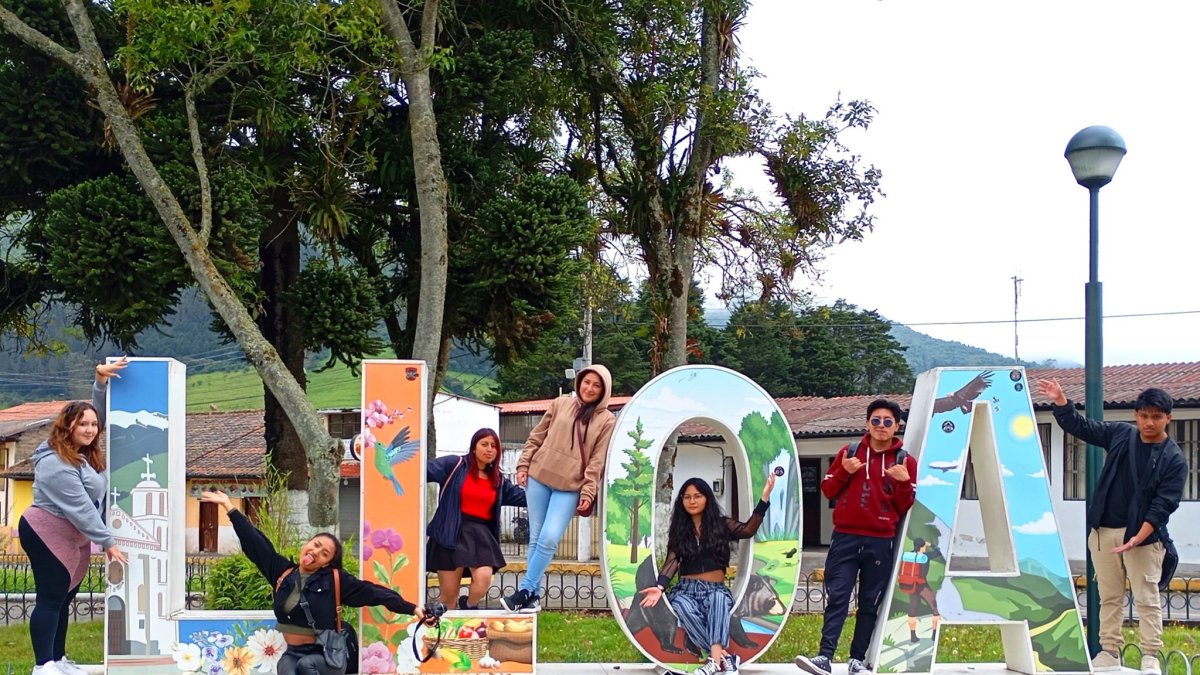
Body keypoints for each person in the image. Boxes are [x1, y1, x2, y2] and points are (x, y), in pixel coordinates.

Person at [1036, 381, 1185, 675]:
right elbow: (1083, 427)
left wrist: (1135, 539)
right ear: (1135, 415)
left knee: (1147, 597)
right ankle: (1109, 651)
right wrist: (1061, 401)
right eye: (1144, 416)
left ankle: (1150, 655)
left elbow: (1163, 507)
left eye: (1156, 416)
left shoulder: (1174, 459)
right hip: (1103, 532)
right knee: (1109, 596)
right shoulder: (1121, 435)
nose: (1149, 422)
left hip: (1144, 538)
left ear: (1168, 417)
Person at [200, 490, 425, 675]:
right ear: (307, 544)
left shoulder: (335, 580)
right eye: (315, 545)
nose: (316, 552)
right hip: (294, 652)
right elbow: (256, 544)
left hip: (328, 655)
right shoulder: (283, 574)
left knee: (306, 667)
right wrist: (229, 507)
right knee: (286, 668)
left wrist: (411, 608)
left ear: (327, 563)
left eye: (324, 553)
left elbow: (374, 592)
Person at [19, 358, 129, 675]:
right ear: (67, 426)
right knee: (51, 598)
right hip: (46, 530)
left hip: (73, 535)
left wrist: (99, 383)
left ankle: (59, 659)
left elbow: (98, 420)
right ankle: (43, 666)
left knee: (65, 598)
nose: (90, 429)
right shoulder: (54, 462)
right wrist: (107, 542)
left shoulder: (83, 454)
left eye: (93, 425)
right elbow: (80, 506)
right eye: (82, 424)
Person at [795, 399, 916, 675]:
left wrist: (903, 481)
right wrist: (843, 471)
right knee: (837, 597)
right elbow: (827, 490)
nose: (881, 426)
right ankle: (824, 657)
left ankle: (857, 661)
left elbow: (904, 505)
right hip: (845, 537)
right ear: (867, 423)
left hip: (880, 540)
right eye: (876, 420)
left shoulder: (904, 461)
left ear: (897, 426)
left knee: (869, 602)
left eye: (888, 421)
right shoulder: (849, 453)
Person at [502, 364, 616, 613]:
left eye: (597, 385)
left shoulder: (606, 420)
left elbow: (598, 460)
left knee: (549, 537)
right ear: (579, 382)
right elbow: (536, 436)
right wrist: (523, 465)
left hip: (570, 486)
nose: (590, 388)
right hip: (538, 476)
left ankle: (524, 590)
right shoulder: (560, 403)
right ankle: (532, 597)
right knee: (535, 539)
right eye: (587, 382)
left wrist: (588, 491)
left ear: (604, 391)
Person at [639, 475, 776, 675]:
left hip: (715, 587)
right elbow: (672, 561)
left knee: (719, 600)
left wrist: (764, 499)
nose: (692, 501)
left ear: (707, 498)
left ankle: (713, 660)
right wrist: (660, 587)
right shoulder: (680, 529)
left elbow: (748, 530)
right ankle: (724, 658)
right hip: (686, 589)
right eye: (687, 497)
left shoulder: (721, 525)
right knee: (682, 607)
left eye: (697, 496)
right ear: (682, 501)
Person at [426, 428, 527, 609]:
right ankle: (444, 633)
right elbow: (422, 471)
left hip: (480, 536)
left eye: (494, 446)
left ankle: (470, 605)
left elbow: (525, 498)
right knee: (449, 596)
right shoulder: (454, 465)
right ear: (474, 447)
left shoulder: (498, 480)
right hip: (450, 532)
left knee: (483, 579)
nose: (489, 449)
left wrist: (556, 495)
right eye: (484, 444)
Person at [899, 538, 941, 644]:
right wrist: (931, 543)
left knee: (912, 613)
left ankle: (913, 636)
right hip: (923, 587)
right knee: (936, 610)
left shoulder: (907, 555)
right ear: (923, 547)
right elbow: (938, 552)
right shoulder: (925, 556)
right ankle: (934, 635)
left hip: (911, 587)